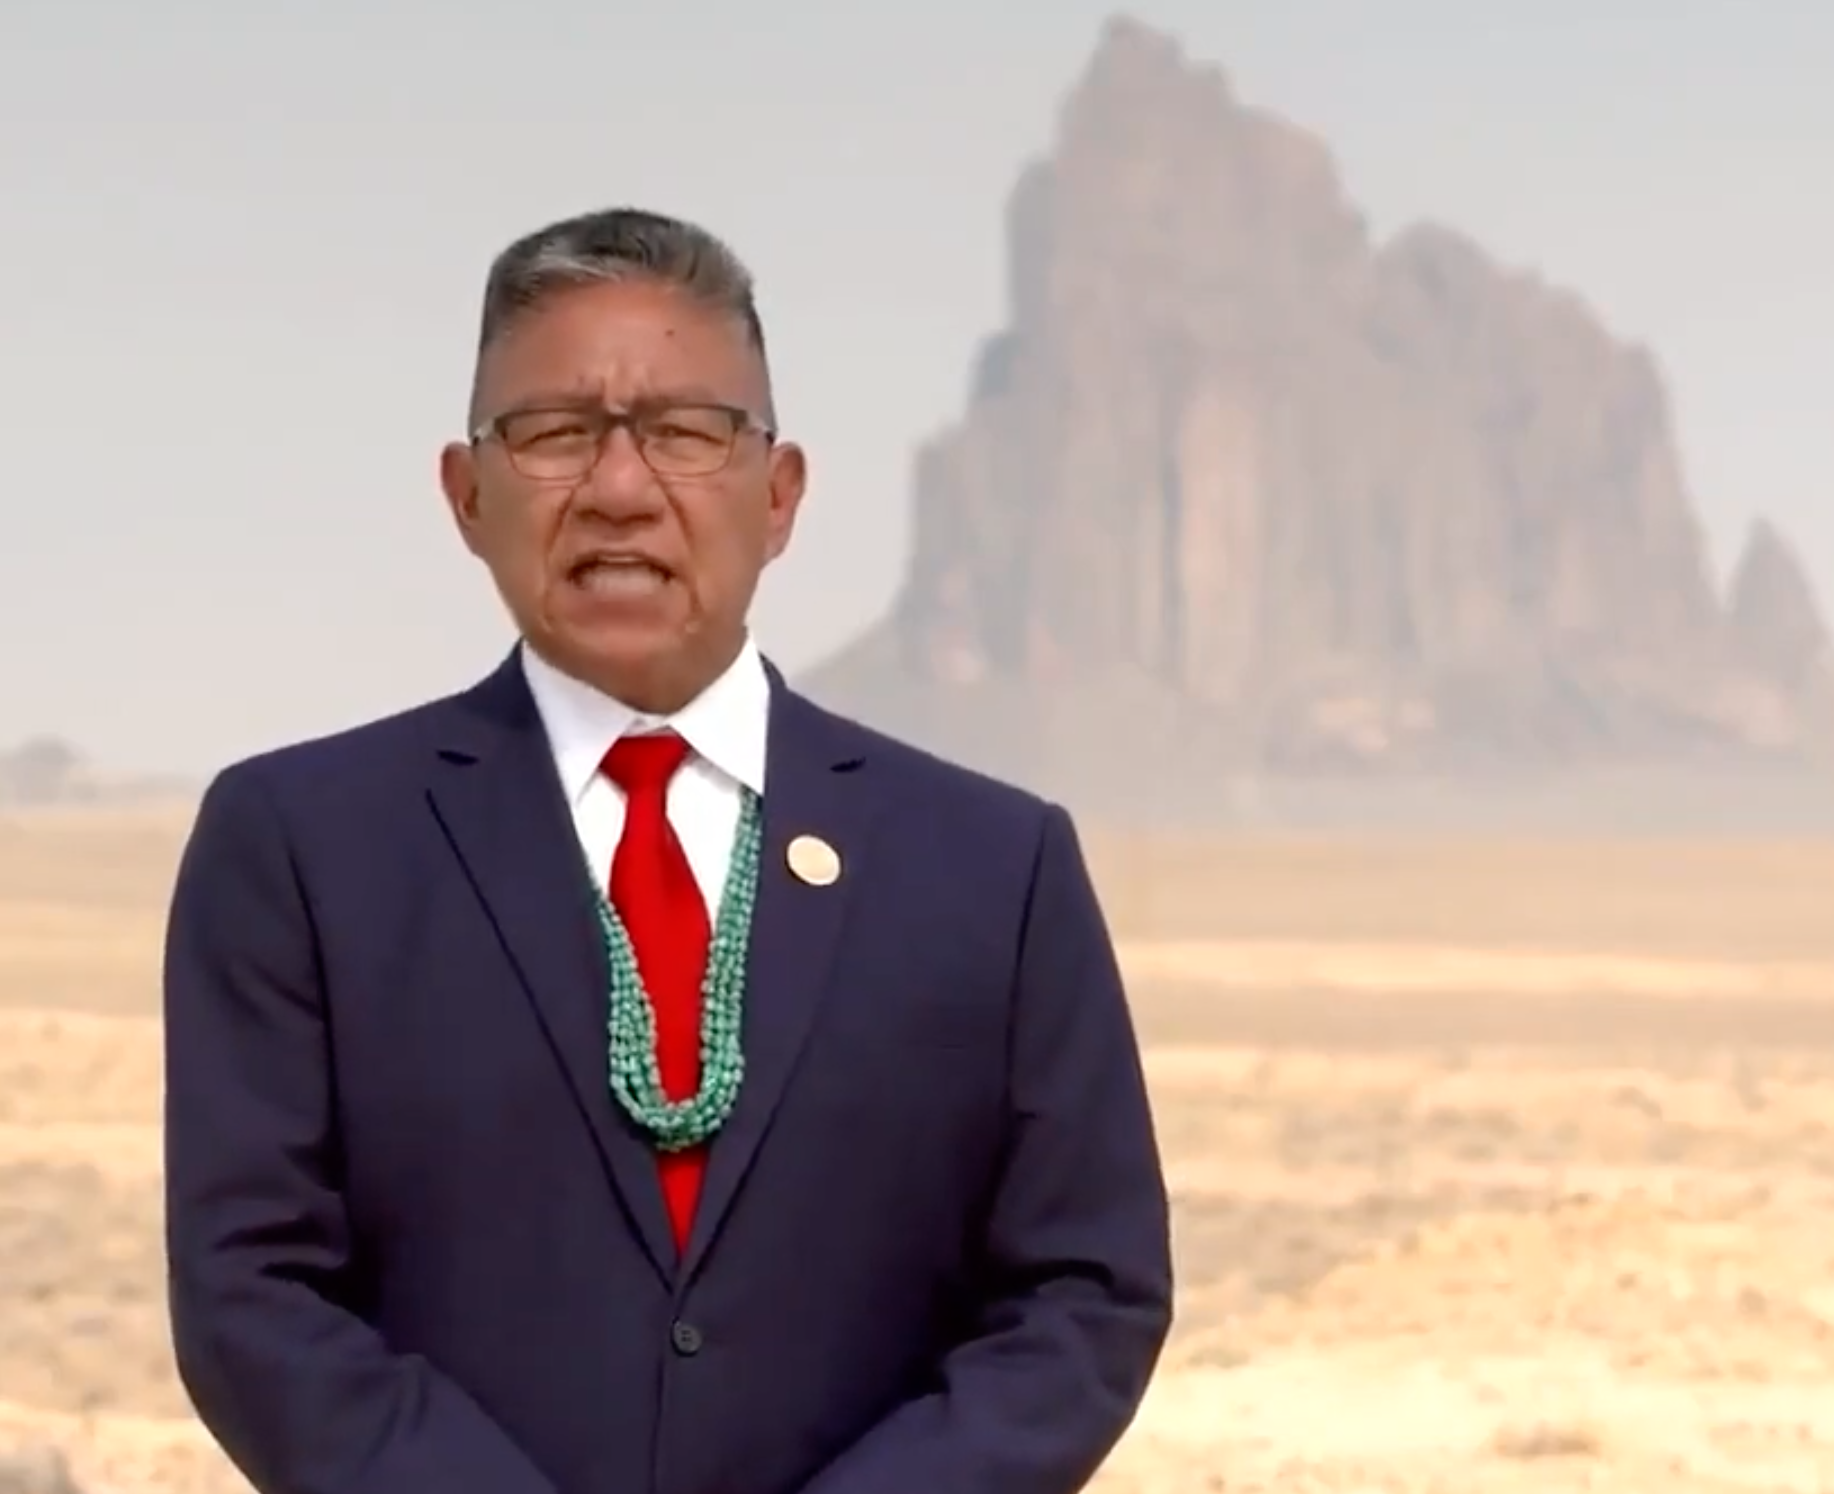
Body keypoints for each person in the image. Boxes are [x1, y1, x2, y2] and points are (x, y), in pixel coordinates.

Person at [161, 206, 1173, 1494]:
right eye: (554, 432)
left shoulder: (991, 868)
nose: (620, 489)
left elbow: (1086, 1294)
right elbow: (253, 1293)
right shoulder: (307, 848)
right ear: (467, 496)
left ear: (780, 494)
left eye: (687, 433)